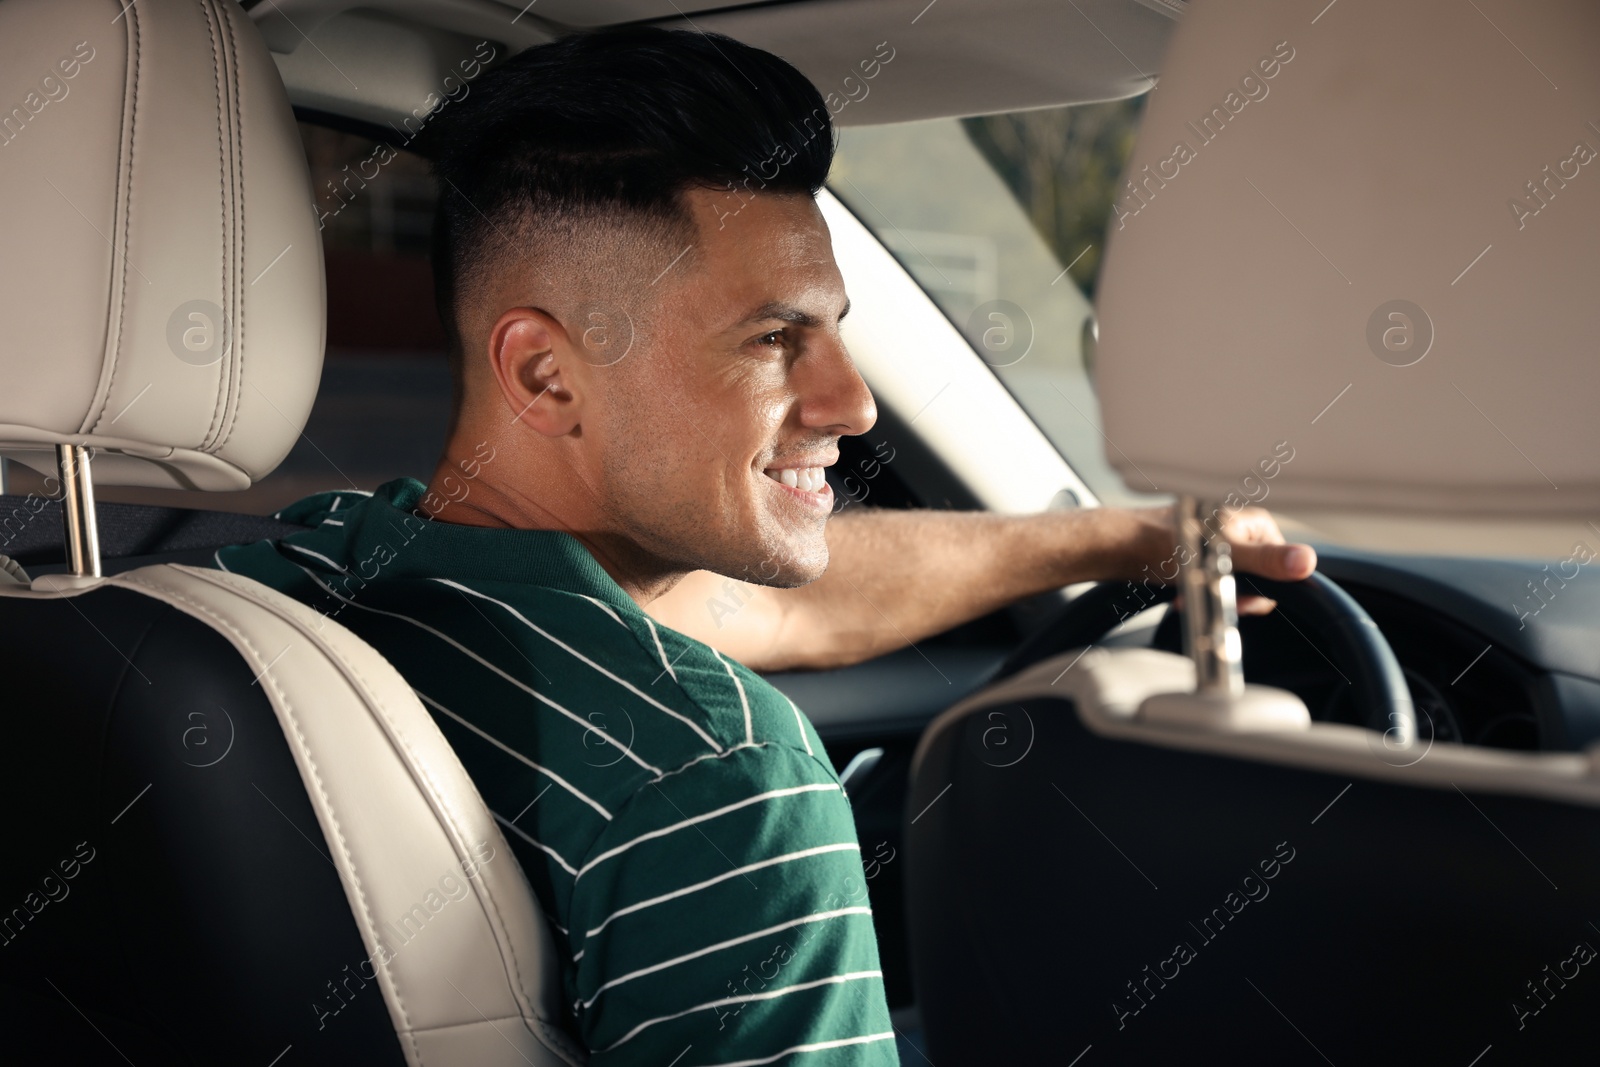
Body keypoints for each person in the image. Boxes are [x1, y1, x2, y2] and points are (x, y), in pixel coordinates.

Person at [215, 25, 1316, 1066]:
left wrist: (1133, 536)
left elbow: (785, 607)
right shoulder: (717, 771)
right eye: (776, 338)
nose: (853, 403)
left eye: (833, 329)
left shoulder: (309, 571)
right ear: (546, 375)